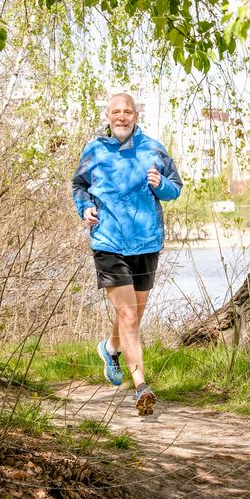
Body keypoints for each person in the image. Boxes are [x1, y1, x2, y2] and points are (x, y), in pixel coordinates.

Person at [72, 93, 182, 415]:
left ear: (136, 115)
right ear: (108, 116)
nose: (122, 117)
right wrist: (86, 207)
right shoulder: (94, 150)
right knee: (129, 316)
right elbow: (78, 185)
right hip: (108, 241)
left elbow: (175, 187)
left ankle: (110, 349)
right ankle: (141, 387)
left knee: (134, 315)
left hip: (146, 240)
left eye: (127, 112)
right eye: (116, 112)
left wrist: (160, 183)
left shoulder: (153, 148)